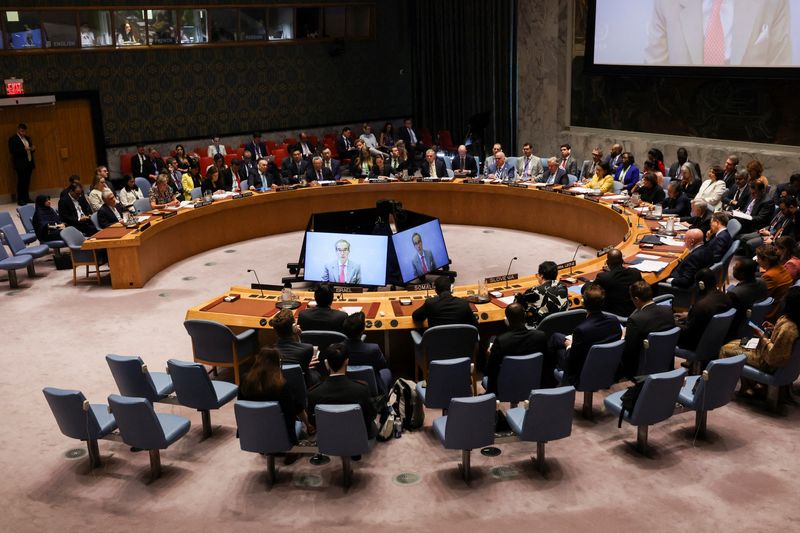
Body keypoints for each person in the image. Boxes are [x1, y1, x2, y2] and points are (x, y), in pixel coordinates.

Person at [645, 0, 791, 65]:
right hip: (683, 109)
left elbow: (781, 72)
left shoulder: (774, 2)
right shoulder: (666, 2)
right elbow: (653, 74)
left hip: (749, 110)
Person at [719, 287, 800, 393]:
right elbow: (783, 341)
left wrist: (761, 336)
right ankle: (750, 384)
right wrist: (774, 329)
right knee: (741, 341)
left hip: (767, 362)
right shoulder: (793, 321)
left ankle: (734, 389)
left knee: (725, 349)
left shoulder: (788, 329)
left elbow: (773, 357)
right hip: (768, 350)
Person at [238, 347, 312, 444]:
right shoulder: (282, 386)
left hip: (252, 433)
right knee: (303, 431)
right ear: (278, 364)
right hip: (280, 436)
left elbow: (241, 406)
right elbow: (294, 412)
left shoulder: (244, 380)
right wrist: (308, 425)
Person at [552, 284, 621, 387]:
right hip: (607, 368)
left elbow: (572, 360)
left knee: (557, 349)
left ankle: (550, 383)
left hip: (582, 373)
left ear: (583, 303)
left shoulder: (581, 330)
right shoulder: (614, 321)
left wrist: (569, 346)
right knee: (556, 337)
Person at [307, 343, 378, 439]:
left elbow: (312, 421)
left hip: (329, 437)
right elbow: (371, 416)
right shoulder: (361, 389)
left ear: (326, 363)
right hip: (357, 437)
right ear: (347, 362)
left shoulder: (313, 393)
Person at [484, 302, 547, 393]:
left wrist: (489, 355)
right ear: (525, 317)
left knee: (492, 339)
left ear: (507, 321)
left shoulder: (501, 341)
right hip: (534, 383)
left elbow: (489, 371)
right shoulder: (540, 336)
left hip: (505, 388)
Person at [620, 281, 676, 379]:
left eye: (632, 299)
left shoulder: (635, 319)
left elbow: (629, 351)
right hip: (666, 360)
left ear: (636, 299)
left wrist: (623, 337)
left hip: (643, 365)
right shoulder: (667, 310)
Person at [675, 268, 732, 351]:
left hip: (697, 346)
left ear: (701, 285)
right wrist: (690, 315)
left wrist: (673, 323)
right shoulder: (725, 297)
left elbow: (688, 334)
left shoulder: (701, 306)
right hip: (716, 341)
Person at [341, 312, 391, 393]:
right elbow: (383, 366)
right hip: (372, 389)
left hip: (346, 389)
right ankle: (384, 398)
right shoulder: (373, 349)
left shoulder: (337, 349)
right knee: (386, 371)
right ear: (362, 330)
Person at [270, 309, 320, 386]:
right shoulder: (308, 348)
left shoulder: (271, 351)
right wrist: (298, 336)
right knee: (316, 373)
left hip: (280, 384)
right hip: (302, 383)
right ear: (294, 327)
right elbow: (299, 350)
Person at [726, 257, 769, 340]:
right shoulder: (762, 282)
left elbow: (729, 319)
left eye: (735, 267)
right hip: (756, 321)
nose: (733, 268)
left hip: (738, 329)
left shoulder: (735, 294)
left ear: (742, 274)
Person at [516, 260, 569, 326]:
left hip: (541, 329)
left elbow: (516, 308)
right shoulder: (563, 287)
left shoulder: (535, 290)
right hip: (563, 326)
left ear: (541, 275)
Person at [412, 275, 477, 327]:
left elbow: (416, 317)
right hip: (459, 339)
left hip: (436, 339)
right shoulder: (463, 303)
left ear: (436, 290)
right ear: (450, 289)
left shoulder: (430, 303)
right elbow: (474, 323)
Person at [595, 249, 643, 317]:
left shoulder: (603, 277)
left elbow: (589, 290)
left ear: (607, 263)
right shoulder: (635, 273)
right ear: (622, 261)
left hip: (613, 316)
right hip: (635, 313)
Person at [756, 244, 794, 322]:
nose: (757, 261)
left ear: (766, 260)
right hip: (781, 308)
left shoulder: (769, 276)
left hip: (771, 313)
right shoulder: (782, 268)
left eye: (758, 258)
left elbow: (760, 297)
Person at [8, 123, 35, 205]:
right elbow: (12, 151)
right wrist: (24, 149)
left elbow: (30, 148)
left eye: (24, 131)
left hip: (29, 163)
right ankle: (20, 199)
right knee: (21, 182)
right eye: (22, 130)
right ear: (18, 129)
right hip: (20, 164)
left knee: (27, 182)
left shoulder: (27, 138)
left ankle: (26, 198)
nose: (23, 132)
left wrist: (32, 148)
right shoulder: (13, 139)